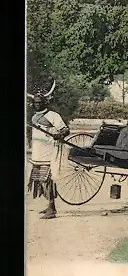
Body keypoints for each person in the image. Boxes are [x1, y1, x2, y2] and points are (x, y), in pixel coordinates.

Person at [27, 81, 70, 219]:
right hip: (38, 153)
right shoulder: (34, 116)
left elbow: (65, 130)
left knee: (47, 180)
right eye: (36, 102)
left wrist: (60, 135)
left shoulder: (53, 115)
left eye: (40, 102)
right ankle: (51, 206)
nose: (38, 104)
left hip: (49, 153)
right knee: (39, 179)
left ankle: (51, 209)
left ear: (45, 102)